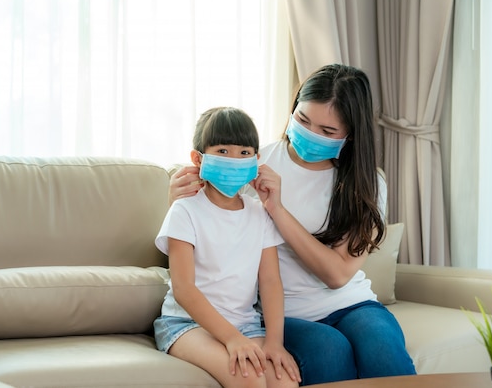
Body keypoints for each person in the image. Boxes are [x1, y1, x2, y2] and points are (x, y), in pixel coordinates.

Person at [169, 64, 417, 385]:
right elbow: (205, 227)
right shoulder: (254, 165)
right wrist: (177, 200)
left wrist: (277, 209)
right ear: (294, 106)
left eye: (327, 132)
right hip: (282, 313)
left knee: (383, 349)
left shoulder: (368, 183)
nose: (310, 135)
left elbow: (337, 275)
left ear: (351, 134)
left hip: (352, 303)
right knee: (329, 350)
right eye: (302, 120)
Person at [153, 107, 301, 388]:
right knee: (250, 379)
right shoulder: (184, 211)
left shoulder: (259, 213)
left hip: (246, 325)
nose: (234, 159)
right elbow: (184, 290)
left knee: (284, 381)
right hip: (186, 324)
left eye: (244, 153)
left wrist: (274, 342)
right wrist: (232, 339)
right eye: (222, 151)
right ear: (198, 159)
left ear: (257, 160)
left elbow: (270, 282)